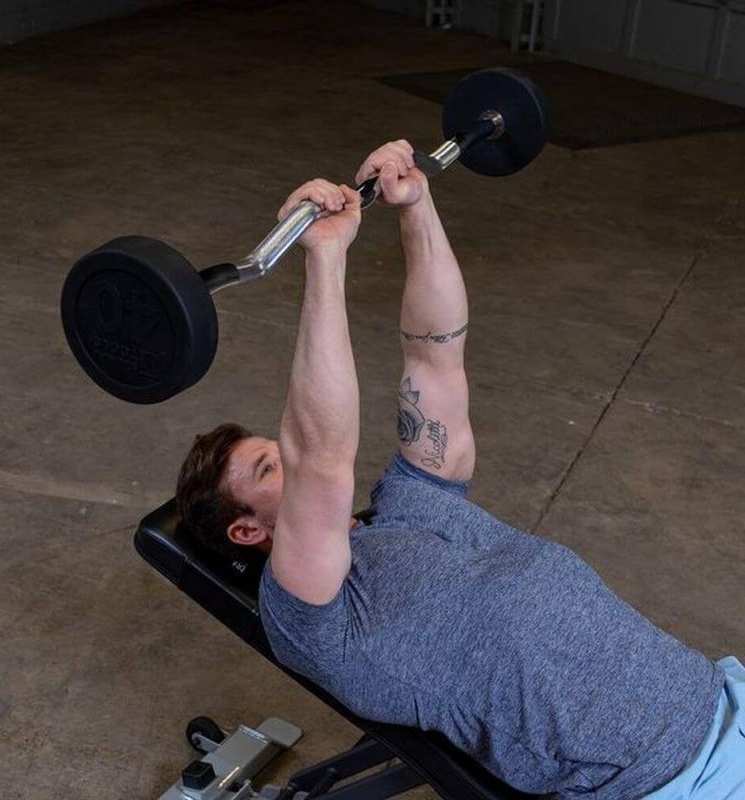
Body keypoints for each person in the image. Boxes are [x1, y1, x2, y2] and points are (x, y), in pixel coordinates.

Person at [176, 141, 745, 799]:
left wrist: (416, 206)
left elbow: (435, 358)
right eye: (270, 467)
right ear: (247, 531)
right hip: (683, 785)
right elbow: (321, 460)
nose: (291, 461)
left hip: (722, 696)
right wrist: (325, 259)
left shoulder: (411, 500)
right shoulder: (307, 611)